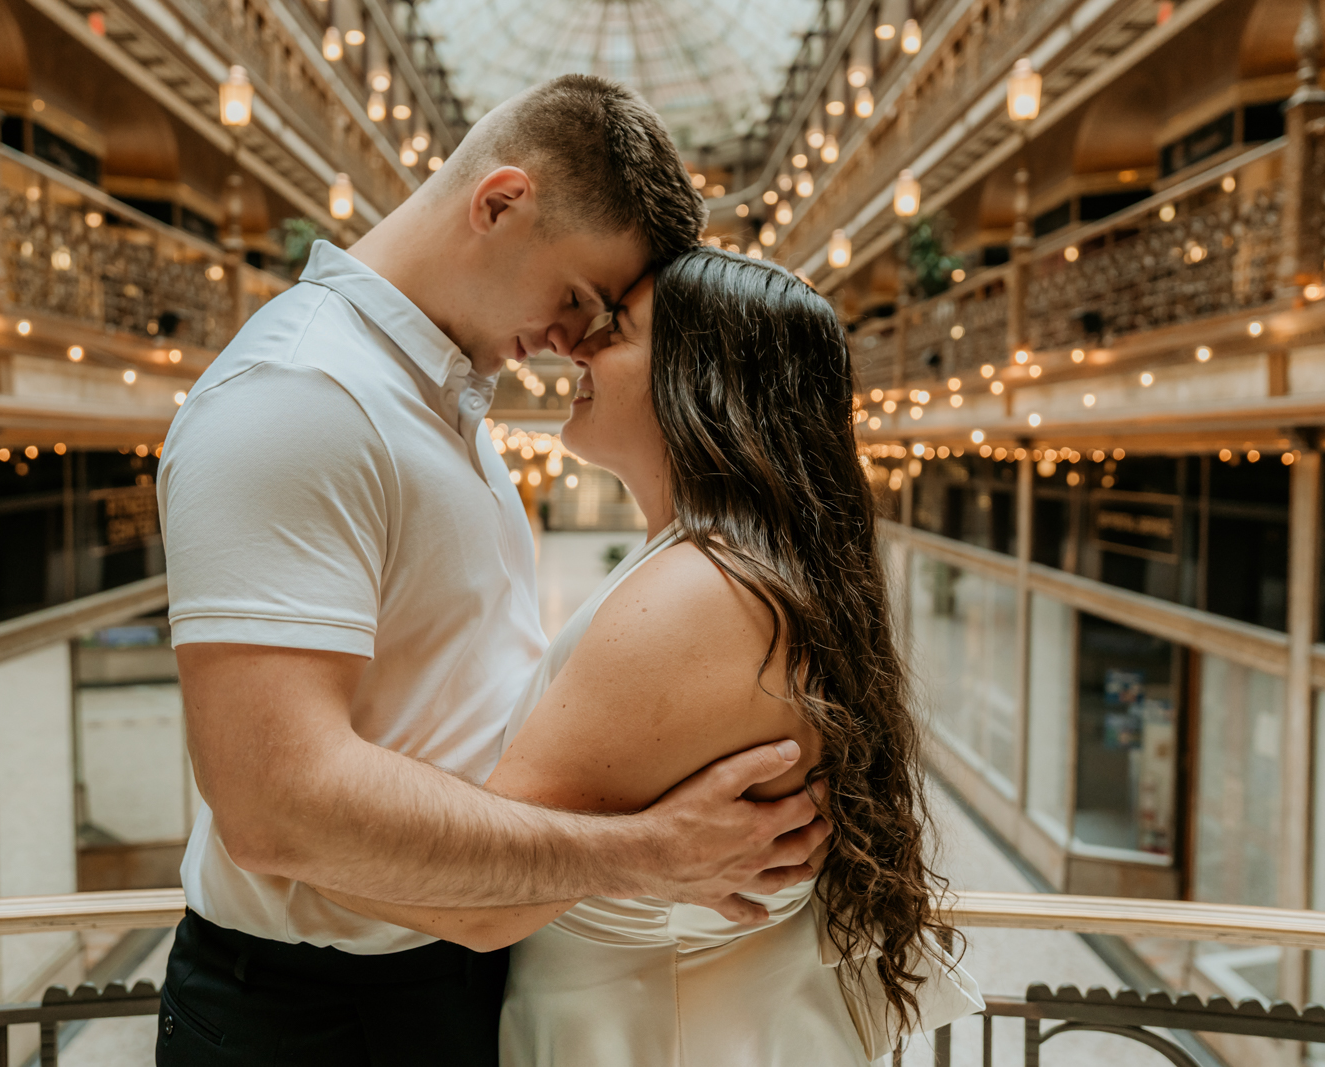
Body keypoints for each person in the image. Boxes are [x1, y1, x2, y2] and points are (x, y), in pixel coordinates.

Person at [153, 76, 832, 1066]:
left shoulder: (438, 403)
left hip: (446, 971)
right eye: (578, 298)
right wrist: (641, 855)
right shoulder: (300, 394)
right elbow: (271, 802)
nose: (573, 342)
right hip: (309, 1016)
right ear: (499, 201)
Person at [317, 247, 982, 1065]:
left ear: (699, 379)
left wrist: (293, 835)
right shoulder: (732, 568)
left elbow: (480, 900)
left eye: (616, 330)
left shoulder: (699, 596)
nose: (578, 347)